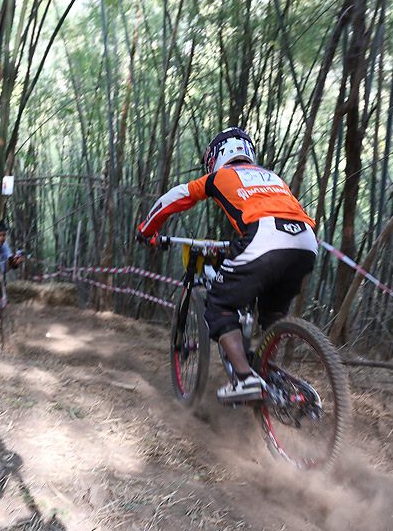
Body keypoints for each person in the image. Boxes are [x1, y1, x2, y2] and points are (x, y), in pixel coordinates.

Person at [136, 127, 318, 402]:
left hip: (264, 236)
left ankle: (245, 379)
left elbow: (175, 197)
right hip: (306, 242)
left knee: (219, 305)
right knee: (272, 314)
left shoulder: (220, 176)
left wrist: (146, 230)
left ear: (216, 157)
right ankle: (268, 374)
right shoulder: (273, 177)